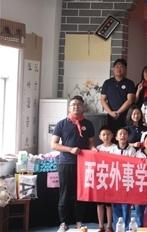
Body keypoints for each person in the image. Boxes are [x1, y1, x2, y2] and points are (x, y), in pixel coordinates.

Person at [52, 95, 96, 230]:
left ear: (83, 107)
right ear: (69, 108)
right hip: (66, 163)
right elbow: (54, 145)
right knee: (65, 195)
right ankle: (63, 223)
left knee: (81, 194)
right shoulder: (61, 124)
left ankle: (79, 222)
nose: (76, 107)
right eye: (73, 105)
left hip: (83, 164)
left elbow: (91, 143)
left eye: (79, 104)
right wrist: (70, 149)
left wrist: (94, 150)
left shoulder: (88, 124)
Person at [109, 128, 136, 230]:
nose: (122, 136)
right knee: (115, 206)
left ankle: (127, 227)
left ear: (128, 137)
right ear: (116, 137)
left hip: (126, 181)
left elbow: (134, 165)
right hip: (115, 181)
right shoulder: (112, 150)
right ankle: (118, 227)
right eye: (120, 134)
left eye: (125, 134)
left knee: (126, 207)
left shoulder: (132, 150)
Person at [101, 59, 136, 130]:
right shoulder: (107, 83)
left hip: (125, 116)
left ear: (125, 69)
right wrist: (111, 112)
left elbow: (130, 100)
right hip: (110, 116)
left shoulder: (129, 83)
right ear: (113, 68)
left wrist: (118, 113)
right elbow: (103, 100)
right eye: (117, 67)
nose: (119, 69)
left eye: (121, 67)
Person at [95, 126, 114, 232]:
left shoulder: (115, 148)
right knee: (100, 203)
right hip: (100, 178)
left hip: (111, 178)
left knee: (109, 204)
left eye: (108, 134)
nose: (106, 137)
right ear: (100, 137)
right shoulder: (97, 148)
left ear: (112, 136)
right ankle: (101, 225)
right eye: (104, 135)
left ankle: (109, 226)